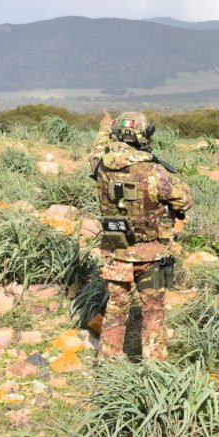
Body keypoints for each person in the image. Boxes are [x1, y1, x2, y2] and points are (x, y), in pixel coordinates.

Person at [89, 111, 193, 361]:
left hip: (116, 250)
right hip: (151, 253)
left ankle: (108, 363)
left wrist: (104, 127)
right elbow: (186, 200)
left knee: (116, 307)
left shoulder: (101, 164)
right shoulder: (154, 171)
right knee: (153, 310)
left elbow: (97, 148)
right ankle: (155, 369)